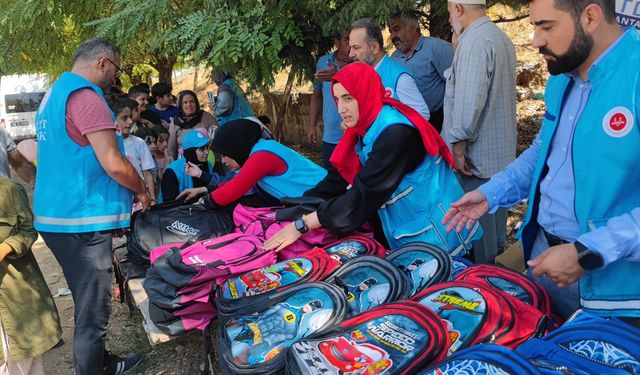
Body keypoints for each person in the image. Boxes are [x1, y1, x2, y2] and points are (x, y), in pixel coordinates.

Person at [443, 0, 640, 322]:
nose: (534, 41)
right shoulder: (563, 77)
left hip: (615, 291)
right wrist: (492, 192)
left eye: (546, 27)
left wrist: (587, 252)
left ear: (590, 16)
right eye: (533, 26)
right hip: (545, 260)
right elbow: (544, 152)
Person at [264, 63, 480, 255]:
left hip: (443, 237)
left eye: (348, 98)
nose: (341, 109)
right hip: (413, 234)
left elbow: (362, 195)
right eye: (337, 99)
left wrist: (302, 225)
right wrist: (297, 207)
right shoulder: (366, 127)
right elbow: (338, 179)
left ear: (365, 93)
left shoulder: (395, 134)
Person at [33, 38, 149, 374]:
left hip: (57, 219)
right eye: (117, 69)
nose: (116, 77)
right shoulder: (85, 97)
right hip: (80, 221)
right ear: (103, 62)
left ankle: (100, 361)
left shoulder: (54, 95)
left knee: (87, 301)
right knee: (93, 311)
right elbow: (113, 161)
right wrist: (140, 189)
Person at [441, 0, 517, 264]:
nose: (450, 19)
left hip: (476, 163)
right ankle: (499, 284)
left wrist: (458, 151)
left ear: (458, 9)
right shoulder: (499, 37)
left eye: (450, 12)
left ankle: (485, 291)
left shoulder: (474, 42)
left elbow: (467, 103)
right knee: (496, 237)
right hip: (500, 158)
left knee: (480, 242)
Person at [178, 119, 327, 208]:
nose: (223, 161)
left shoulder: (262, 155)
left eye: (225, 155)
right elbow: (237, 182)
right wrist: (203, 190)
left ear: (235, 147)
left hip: (323, 199)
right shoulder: (259, 149)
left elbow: (235, 189)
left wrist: (201, 204)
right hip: (313, 200)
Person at [0, 176, 62, 375]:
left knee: (28, 356)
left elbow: (29, 230)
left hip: (16, 291)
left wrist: (5, 248)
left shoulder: (9, 189)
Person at [349, 18, 430, 120]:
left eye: (356, 47)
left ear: (374, 47)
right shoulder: (361, 75)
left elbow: (422, 115)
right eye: (350, 48)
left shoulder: (399, 77)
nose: (351, 54)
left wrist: (391, 130)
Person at [389, 11, 454, 132]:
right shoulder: (394, 58)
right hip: (409, 124)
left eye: (396, 29)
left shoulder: (438, 48)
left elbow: (457, 85)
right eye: (390, 32)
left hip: (440, 121)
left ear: (413, 28)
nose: (392, 36)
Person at [308, 31, 352, 168]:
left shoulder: (361, 64)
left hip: (356, 137)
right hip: (331, 137)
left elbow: (364, 92)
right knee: (332, 180)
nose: (351, 44)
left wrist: (338, 76)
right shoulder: (323, 62)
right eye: (347, 39)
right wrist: (312, 126)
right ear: (337, 42)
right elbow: (316, 94)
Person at [109, 96, 157, 204]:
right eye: (124, 118)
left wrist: (152, 198)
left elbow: (146, 171)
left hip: (140, 200)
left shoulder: (139, 143)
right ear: (112, 119)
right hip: (117, 199)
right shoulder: (108, 144)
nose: (130, 121)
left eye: (130, 117)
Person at [160, 129, 216, 202]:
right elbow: (169, 204)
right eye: (202, 149)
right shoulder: (172, 171)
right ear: (191, 151)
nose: (207, 152)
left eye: (207, 147)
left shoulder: (208, 165)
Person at [167, 89, 217, 159]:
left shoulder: (206, 117)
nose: (189, 105)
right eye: (185, 102)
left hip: (206, 159)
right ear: (180, 105)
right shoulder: (176, 122)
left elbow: (217, 138)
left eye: (191, 101)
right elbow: (171, 148)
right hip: (184, 162)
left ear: (196, 103)